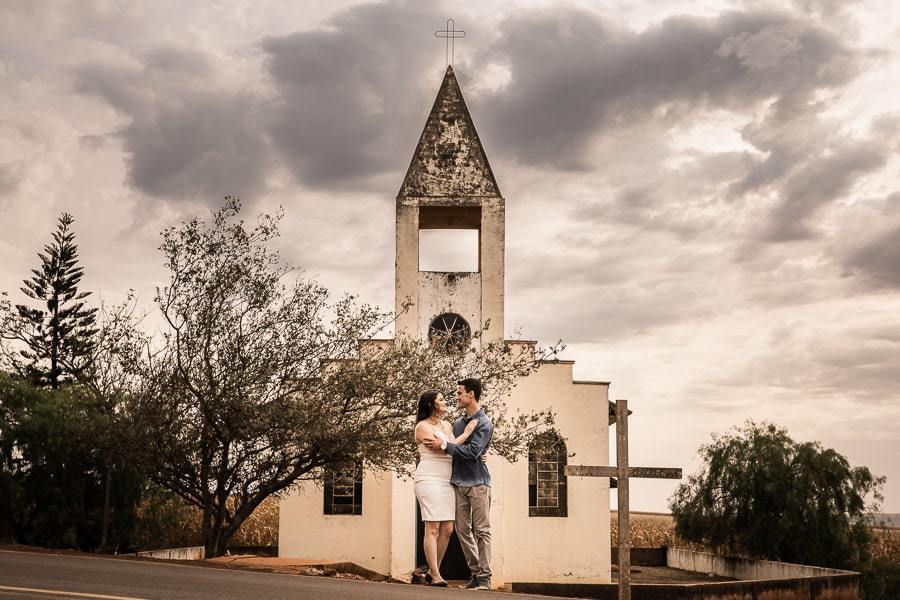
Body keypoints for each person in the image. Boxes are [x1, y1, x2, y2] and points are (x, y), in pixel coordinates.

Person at [425, 377, 494, 591]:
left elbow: (472, 452)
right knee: (463, 531)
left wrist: (447, 446)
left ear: (471, 394)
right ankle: (475, 573)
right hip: (459, 483)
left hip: (478, 483)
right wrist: (450, 444)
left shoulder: (484, 423)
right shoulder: (458, 423)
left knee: (481, 530)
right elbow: (455, 448)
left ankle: (485, 579)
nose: (457, 397)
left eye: (459, 393)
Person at [414, 390, 479, 587]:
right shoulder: (421, 427)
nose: (445, 402)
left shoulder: (447, 425)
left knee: (448, 529)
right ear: (431, 405)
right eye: (441, 400)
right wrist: (466, 434)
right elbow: (445, 447)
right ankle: (435, 575)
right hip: (429, 478)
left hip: (446, 480)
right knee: (432, 527)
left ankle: (434, 571)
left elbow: (451, 448)